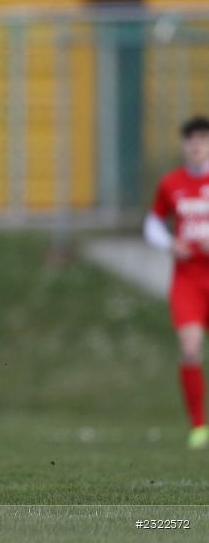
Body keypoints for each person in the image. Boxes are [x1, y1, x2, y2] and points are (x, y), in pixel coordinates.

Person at [144, 115, 209, 450]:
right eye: (191, 140)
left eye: (202, 140)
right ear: (184, 145)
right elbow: (152, 225)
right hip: (188, 280)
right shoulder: (172, 184)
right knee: (190, 348)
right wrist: (171, 243)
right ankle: (199, 426)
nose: (196, 146)